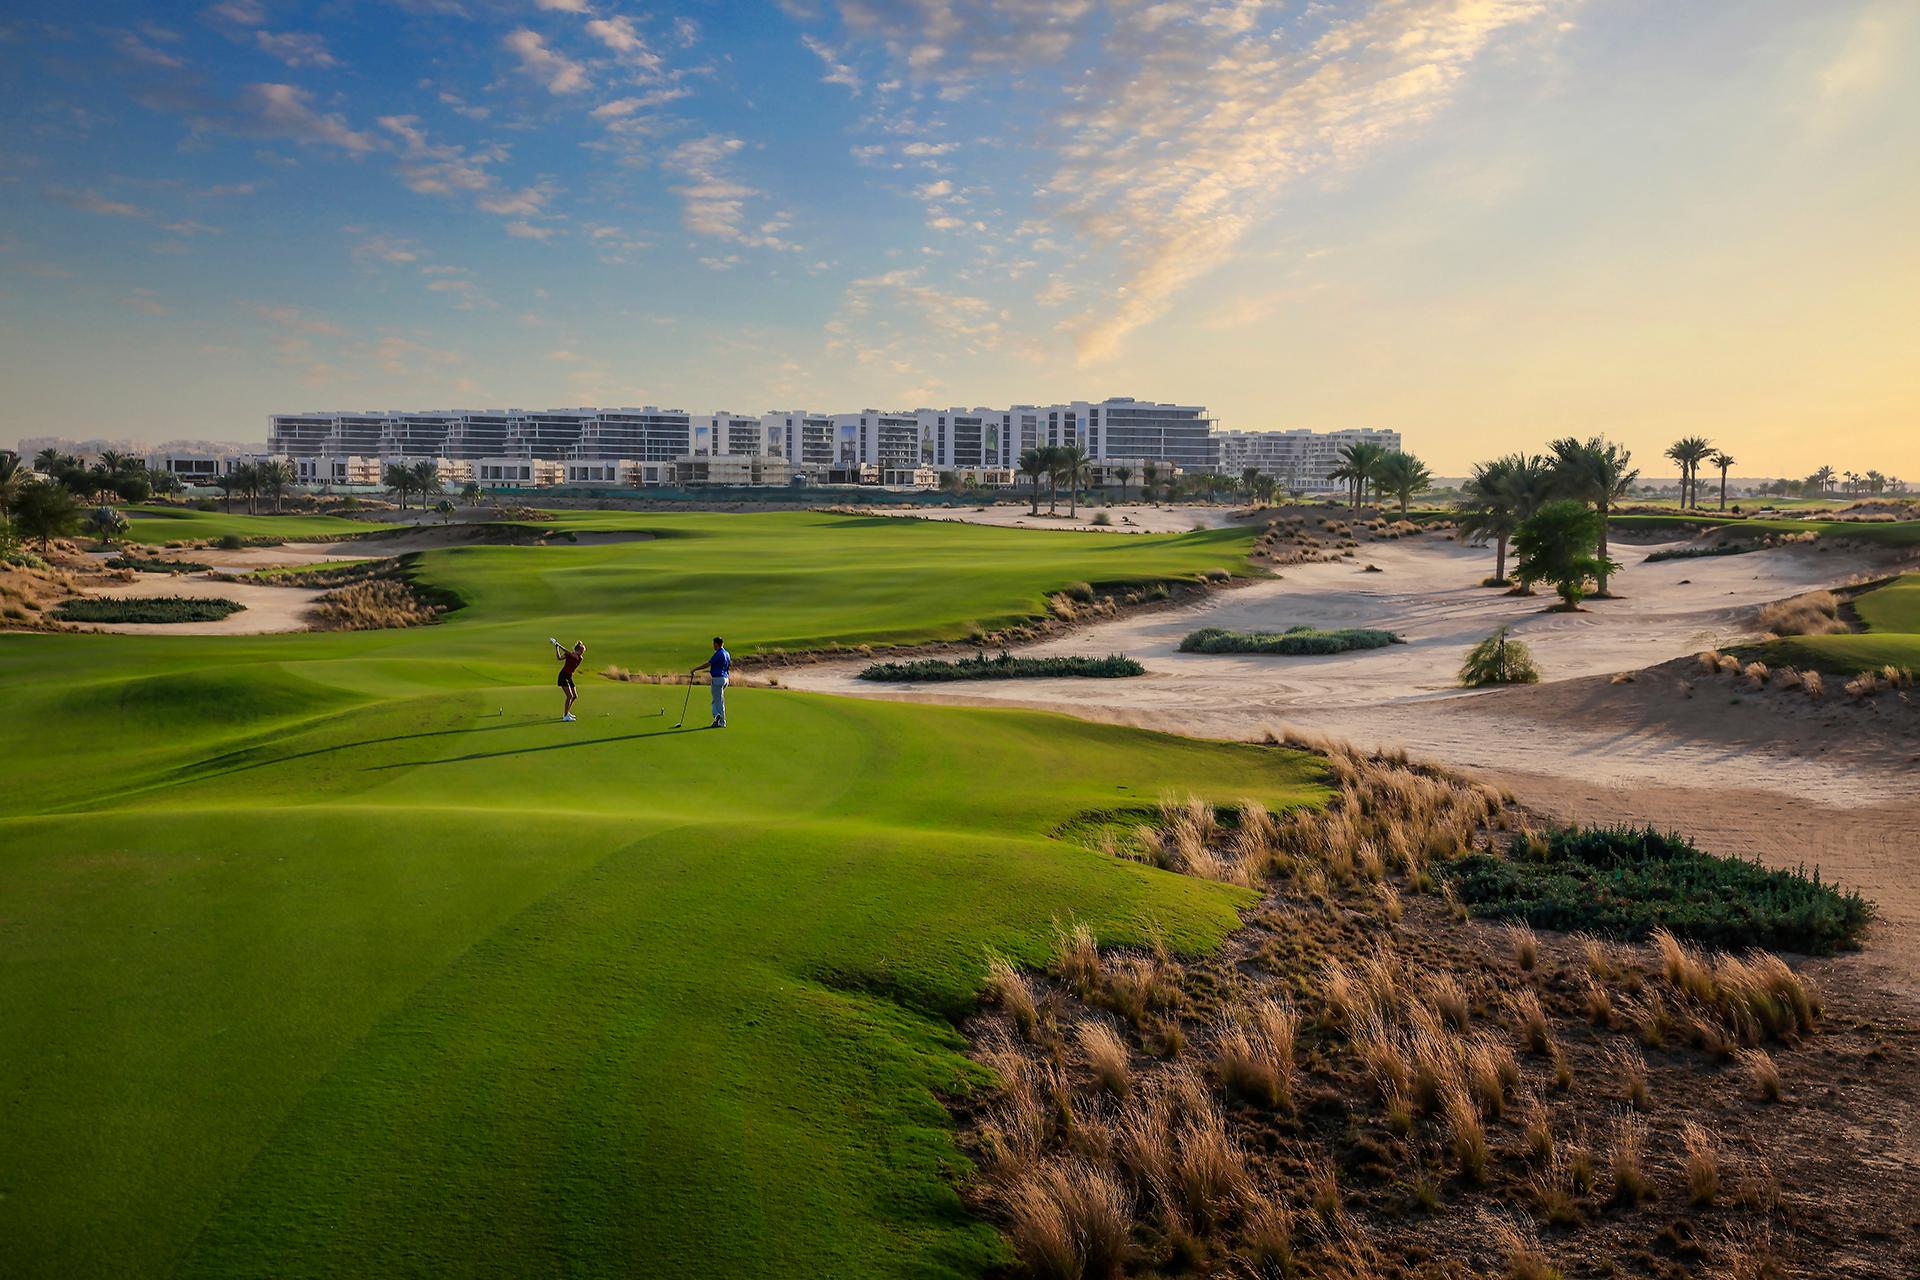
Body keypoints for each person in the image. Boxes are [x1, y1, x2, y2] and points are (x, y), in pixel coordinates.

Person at [690, 635, 731, 729]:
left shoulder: (718, 653)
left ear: (717, 644)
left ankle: (721, 720)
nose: (713, 646)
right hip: (725, 679)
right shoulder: (727, 653)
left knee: (719, 701)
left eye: (714, 644)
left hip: (718, 679)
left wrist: (695, 669)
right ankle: (717, 718)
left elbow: (708, 664)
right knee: (716, 701)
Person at [552, 638, 586, 721]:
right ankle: (565, 716)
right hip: (563, 675)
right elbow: (559, 658)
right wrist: (557, 648)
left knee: (574, 696)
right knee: (570, 696)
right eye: (581, 650)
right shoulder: (570, 654)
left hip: (569, 677)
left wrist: (559, 645)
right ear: (577, 650)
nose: (582, 652)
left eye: (583, 651)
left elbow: (571, 654)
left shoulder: (579, 658)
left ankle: (566, 712)